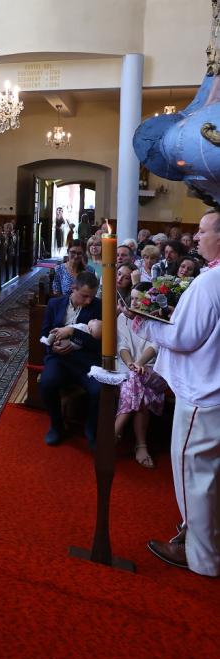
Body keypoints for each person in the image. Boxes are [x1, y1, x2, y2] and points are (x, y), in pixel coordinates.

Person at [132, 210, 220, 575]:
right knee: (210, 474)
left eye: (202, 231)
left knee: (193, 474)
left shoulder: (210, 283)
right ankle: (202, 537)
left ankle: (202, 557)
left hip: (204, 392)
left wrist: (144, 323)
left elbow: (184, 337)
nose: (196, 238)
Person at [40, 270, 102, 446]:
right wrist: (53, 347)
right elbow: (44, 333)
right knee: (47, 383)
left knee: (99, 390)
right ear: (73, 288)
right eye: (85, 296)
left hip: (86, 361)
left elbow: (99, 344)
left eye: (92, 296)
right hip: (59, 359)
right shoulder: (55, 304)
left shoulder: (98, 307)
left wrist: (73, 332)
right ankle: (56, 425)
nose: (89, 301)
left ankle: (91, 429)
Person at [116, 282, 168, 468]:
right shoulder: (123, 318)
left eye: (138, 300)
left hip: (156, 370)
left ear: (149, 302)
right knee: (139, 387)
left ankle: (115, 429)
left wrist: (139, 364)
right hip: (129, 368)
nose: (133, 303)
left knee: (136, 377)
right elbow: (121, 345)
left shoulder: (159, 319)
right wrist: (132, 364)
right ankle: (141, 445)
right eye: (132, 298)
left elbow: (156, 346)